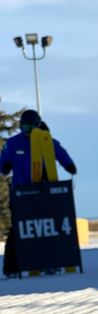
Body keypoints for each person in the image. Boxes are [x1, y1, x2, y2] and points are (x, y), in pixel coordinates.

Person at [0, 110, 78, 276]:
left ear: (38, 126)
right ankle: (12, 268)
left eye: (31, 127)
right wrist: (5, 165)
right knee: (19, 229)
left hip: (44, 191)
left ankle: (50, 262)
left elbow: (60, 152)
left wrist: (68, 165)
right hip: (22, 192)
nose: (27, 132)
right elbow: (4, 158)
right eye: (24, 128)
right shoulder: (14, 143)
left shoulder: (46, 141)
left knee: (48, 226)